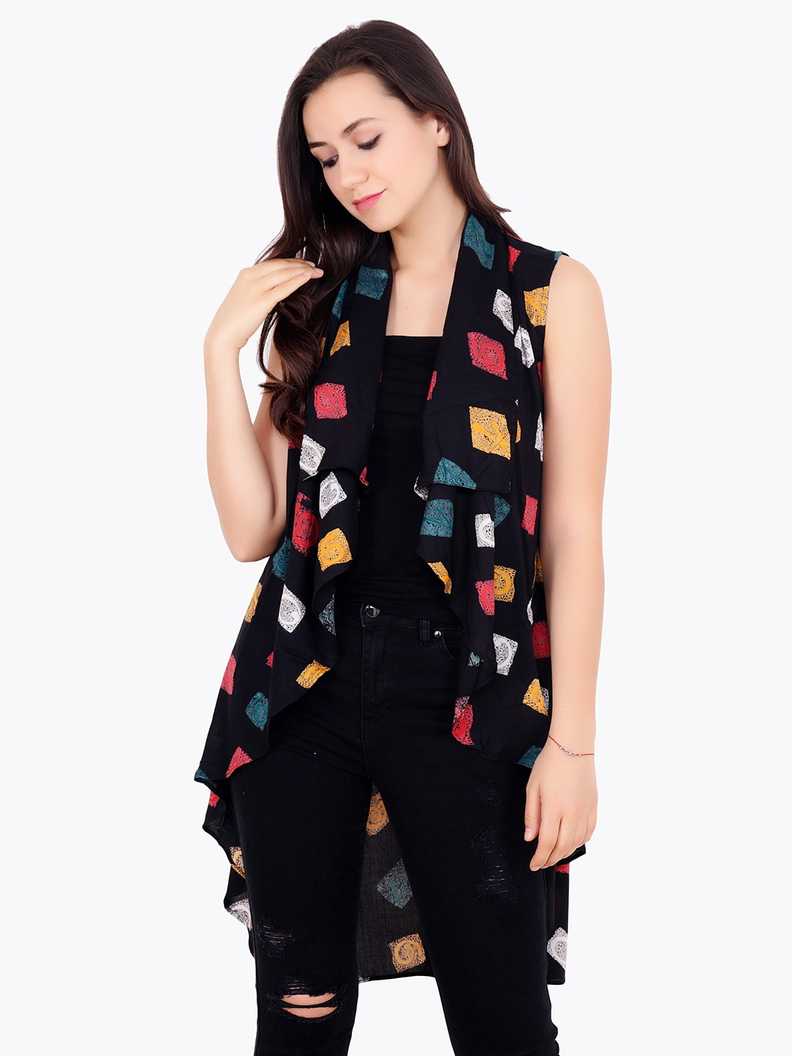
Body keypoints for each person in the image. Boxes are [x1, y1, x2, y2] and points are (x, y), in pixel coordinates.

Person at [194, 19, 610, 1056]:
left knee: (504, 1020)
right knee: (298, 1014)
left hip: (471, 688)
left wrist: (572, 743)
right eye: (325, 158)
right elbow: (252, 530)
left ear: (436, 122)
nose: (348, 176)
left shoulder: (546, 292)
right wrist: (218, 353)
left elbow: (571, 530)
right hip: (305, 682)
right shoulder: (323, 300)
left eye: (366, 140)